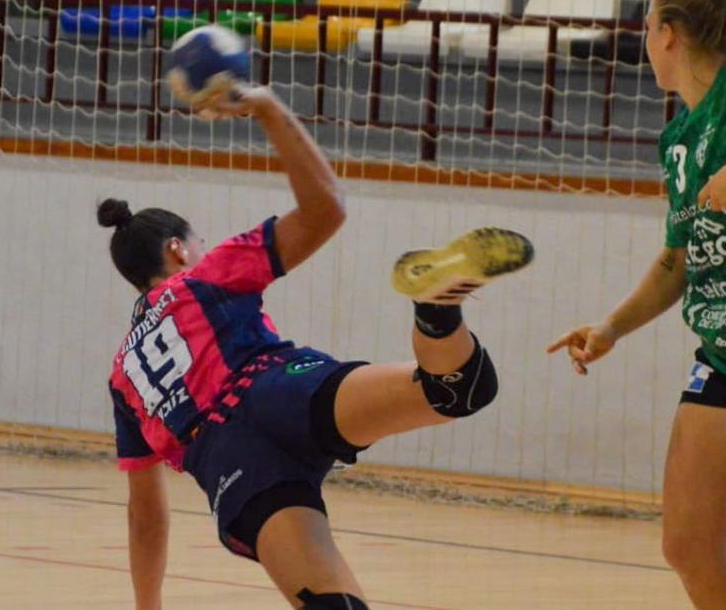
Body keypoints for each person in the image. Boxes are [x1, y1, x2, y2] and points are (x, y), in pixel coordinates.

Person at [97, 84, 533, 609]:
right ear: (178, 249)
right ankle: (436, 312)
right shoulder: (202, 277)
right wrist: (268, 107)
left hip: (234, 465)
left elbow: (146, 517)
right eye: (199, 242)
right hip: (279, 388)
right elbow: (326, 207)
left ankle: (437, 309)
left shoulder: (123, 374)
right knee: (459, 390)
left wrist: (148, 607)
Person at [549, 0, 726, 610]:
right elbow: (680, 256)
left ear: (668, 33)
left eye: (647, 25)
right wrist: (612, 325)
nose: (644, 37)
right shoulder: (680, 138)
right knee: (690, 543)